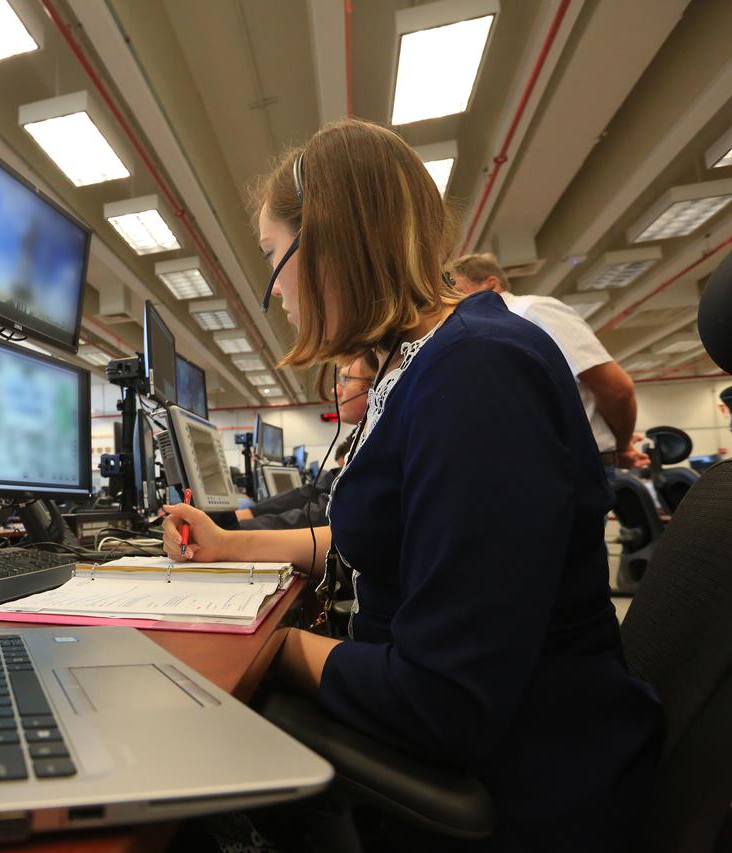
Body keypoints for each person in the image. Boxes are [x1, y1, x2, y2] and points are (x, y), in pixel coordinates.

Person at [163, 119, 659, 850]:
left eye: (272, 258)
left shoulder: (477, 375)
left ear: (326, 243)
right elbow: (411, 534)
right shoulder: (434, 364)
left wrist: (268, 641)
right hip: (502, 746)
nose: (276, 291)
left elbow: (443, 698)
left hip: (527, 787)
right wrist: (231, 543)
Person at [451, 253, 647, 470]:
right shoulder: (475, 331)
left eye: (458, 291)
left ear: (491, 284)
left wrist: (621, 447)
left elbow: (616, 388)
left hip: (577, 464)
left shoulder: (532, 310)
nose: (451, 300)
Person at [233, 353, 375, 530]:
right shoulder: (364, 436)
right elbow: (315, 492)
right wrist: (251, 514)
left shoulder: (378, 443)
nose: (335, 390)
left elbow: (325, 513)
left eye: (346, 379)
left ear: (375, 385)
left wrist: (237, 532)